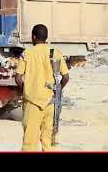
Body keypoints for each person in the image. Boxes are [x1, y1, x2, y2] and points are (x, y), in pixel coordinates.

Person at [14, 24, 70, 152]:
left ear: (33, 37)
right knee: (48, 142)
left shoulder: (27, 54)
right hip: (51, 103)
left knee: (29, 142)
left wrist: (27, 89)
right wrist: (57, 91)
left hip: (32, 104)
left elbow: (18, 78)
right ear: (46, 37)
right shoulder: (55, 53)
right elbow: (66, 77)